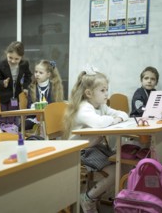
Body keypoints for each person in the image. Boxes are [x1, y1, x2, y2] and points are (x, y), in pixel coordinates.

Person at [63, 67, 128, 213]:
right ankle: (88, 198)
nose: (107, 94)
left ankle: (94, 196)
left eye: (107, 89)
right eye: (103, 90)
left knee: (121, 166)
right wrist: (114, 119)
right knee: (116, 172)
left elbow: (123, 114)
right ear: (89, 93)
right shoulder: (83, 108)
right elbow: (99, 123)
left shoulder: (101, 106)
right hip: (80, 151)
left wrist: (115, 118)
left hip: (94, 147)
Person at [0, 41, 32, 124]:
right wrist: (3, 83)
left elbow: (28, 76)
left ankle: (12, 133)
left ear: (21, 57)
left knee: (13, 118)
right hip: (2, 96)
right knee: (2, 117)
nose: (13, 61)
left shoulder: (24, 64)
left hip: (15, 96)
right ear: (7, 53)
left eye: (16, 59)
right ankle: (3, 133)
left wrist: (25, 87)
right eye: (10, 57)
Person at [25, 60, 64, 130]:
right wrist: (34, 106)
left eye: (40, 73)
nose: (37, 74)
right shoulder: (31, 87)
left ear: (48, 74)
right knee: (23, 126)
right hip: (35, 118)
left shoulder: (55, 87)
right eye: (36, 72)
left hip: (50, 117)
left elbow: (55, 105)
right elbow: (29, 107)